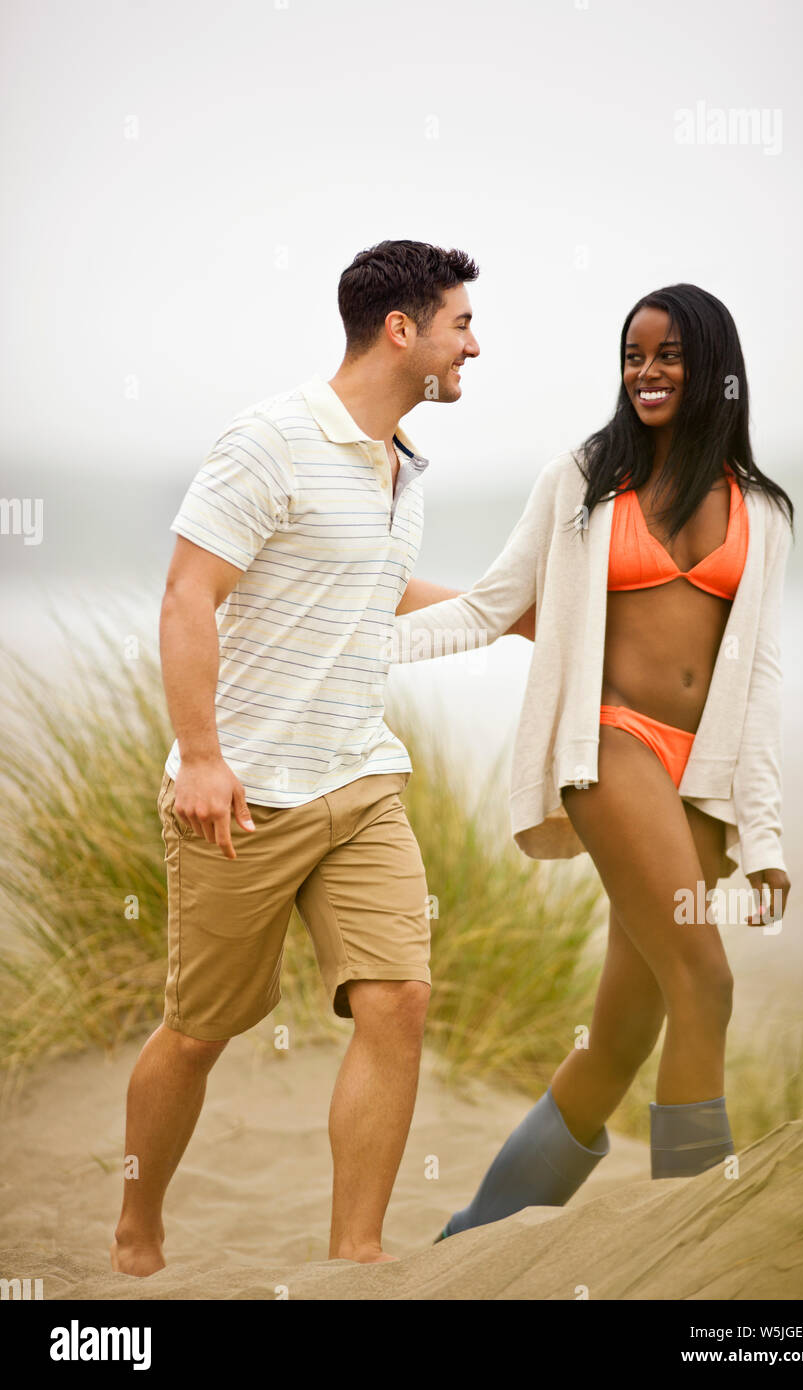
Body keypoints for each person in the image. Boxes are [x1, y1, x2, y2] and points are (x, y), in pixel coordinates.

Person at [110, 239, 484, 1275]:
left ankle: (354, 1258)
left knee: (397, 998)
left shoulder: (403, 464)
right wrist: (199, 755)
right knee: (199, 1029)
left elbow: (375, 595)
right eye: (460, 323)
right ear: (401, 329)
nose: (474, 345)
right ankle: (137, 1228)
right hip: (243, 797)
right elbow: (191, 592)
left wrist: (514, 615)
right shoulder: (270, 439)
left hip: (360, 781)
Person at [392, 283, 794, 1239]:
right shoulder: (581, 479)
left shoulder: (765, 511)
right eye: (632, 355)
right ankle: (689, 1247)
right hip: (611, 746)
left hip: (702, 774)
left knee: (622, 1034)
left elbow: (764, 677)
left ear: (715, 369)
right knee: (709, 980)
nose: (646, 373)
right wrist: (354, 637)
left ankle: (469, 1244)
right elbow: (491, 606)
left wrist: (764, 831)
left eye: (668, 356)